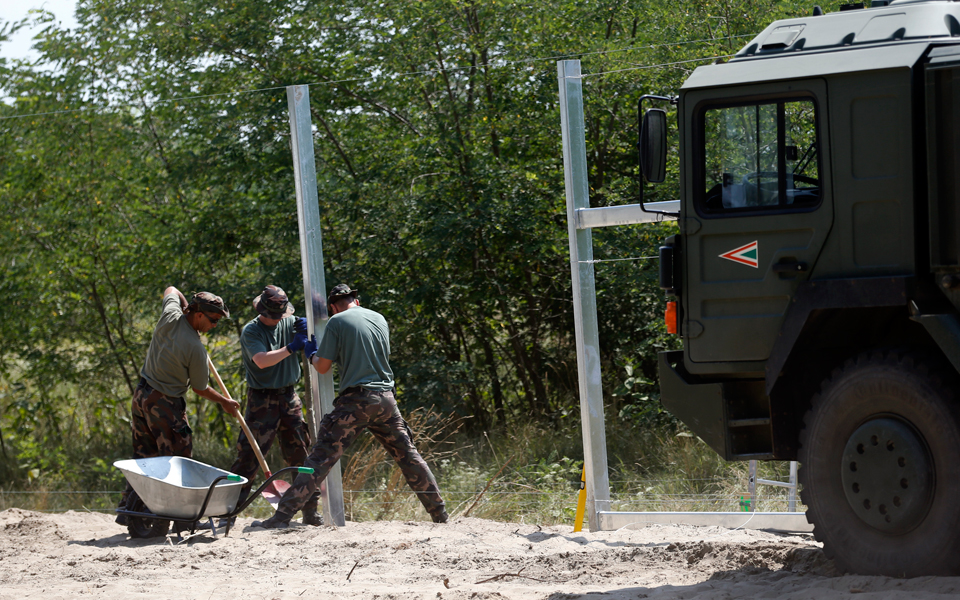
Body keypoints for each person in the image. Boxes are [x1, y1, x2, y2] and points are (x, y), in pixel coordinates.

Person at [253, 284, 448, 528]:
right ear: (355, 299)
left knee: (319, 459)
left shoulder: (338, 321)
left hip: (356, 401)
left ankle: (281, 517)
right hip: (387, 398)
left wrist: (310, 353)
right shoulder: (379, 318)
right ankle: (440, 514)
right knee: (409, 457)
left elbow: (323, 367)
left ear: (334, 306)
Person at [117, 286, 240, 523]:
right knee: (178, 459)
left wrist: (182, 303)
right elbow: (200, 388)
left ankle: (129, 511)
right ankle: (178, 516)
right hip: (165, 404)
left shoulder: (171, 315)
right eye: (213, 320)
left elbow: (171, 289)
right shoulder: (195, 348)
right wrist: (225, 401)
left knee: (144, 458)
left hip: (141, 395)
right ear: (199, 314)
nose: (214, 326)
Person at [226, 285, 322, 526]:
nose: (279, 319)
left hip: (289, 397)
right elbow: (261, 361)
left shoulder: (289, 324)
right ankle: (228, 512)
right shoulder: (251, 331)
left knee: (300, 453)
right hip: (262, 401)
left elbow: (314, 326)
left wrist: (307, 327)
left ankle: (310, 510)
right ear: (263, 311)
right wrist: (291, 347)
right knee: (248, 456)